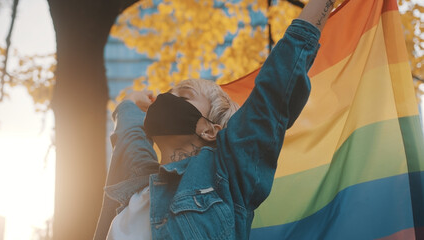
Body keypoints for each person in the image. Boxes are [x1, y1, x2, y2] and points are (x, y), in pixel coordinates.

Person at [94, 0, 335, 239]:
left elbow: (277, 85)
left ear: (209, 130)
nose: (166, 97)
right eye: (170, 92)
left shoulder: (226, 172)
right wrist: (130, 103)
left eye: (184, 95)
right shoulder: (137, 181)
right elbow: (129, 134)